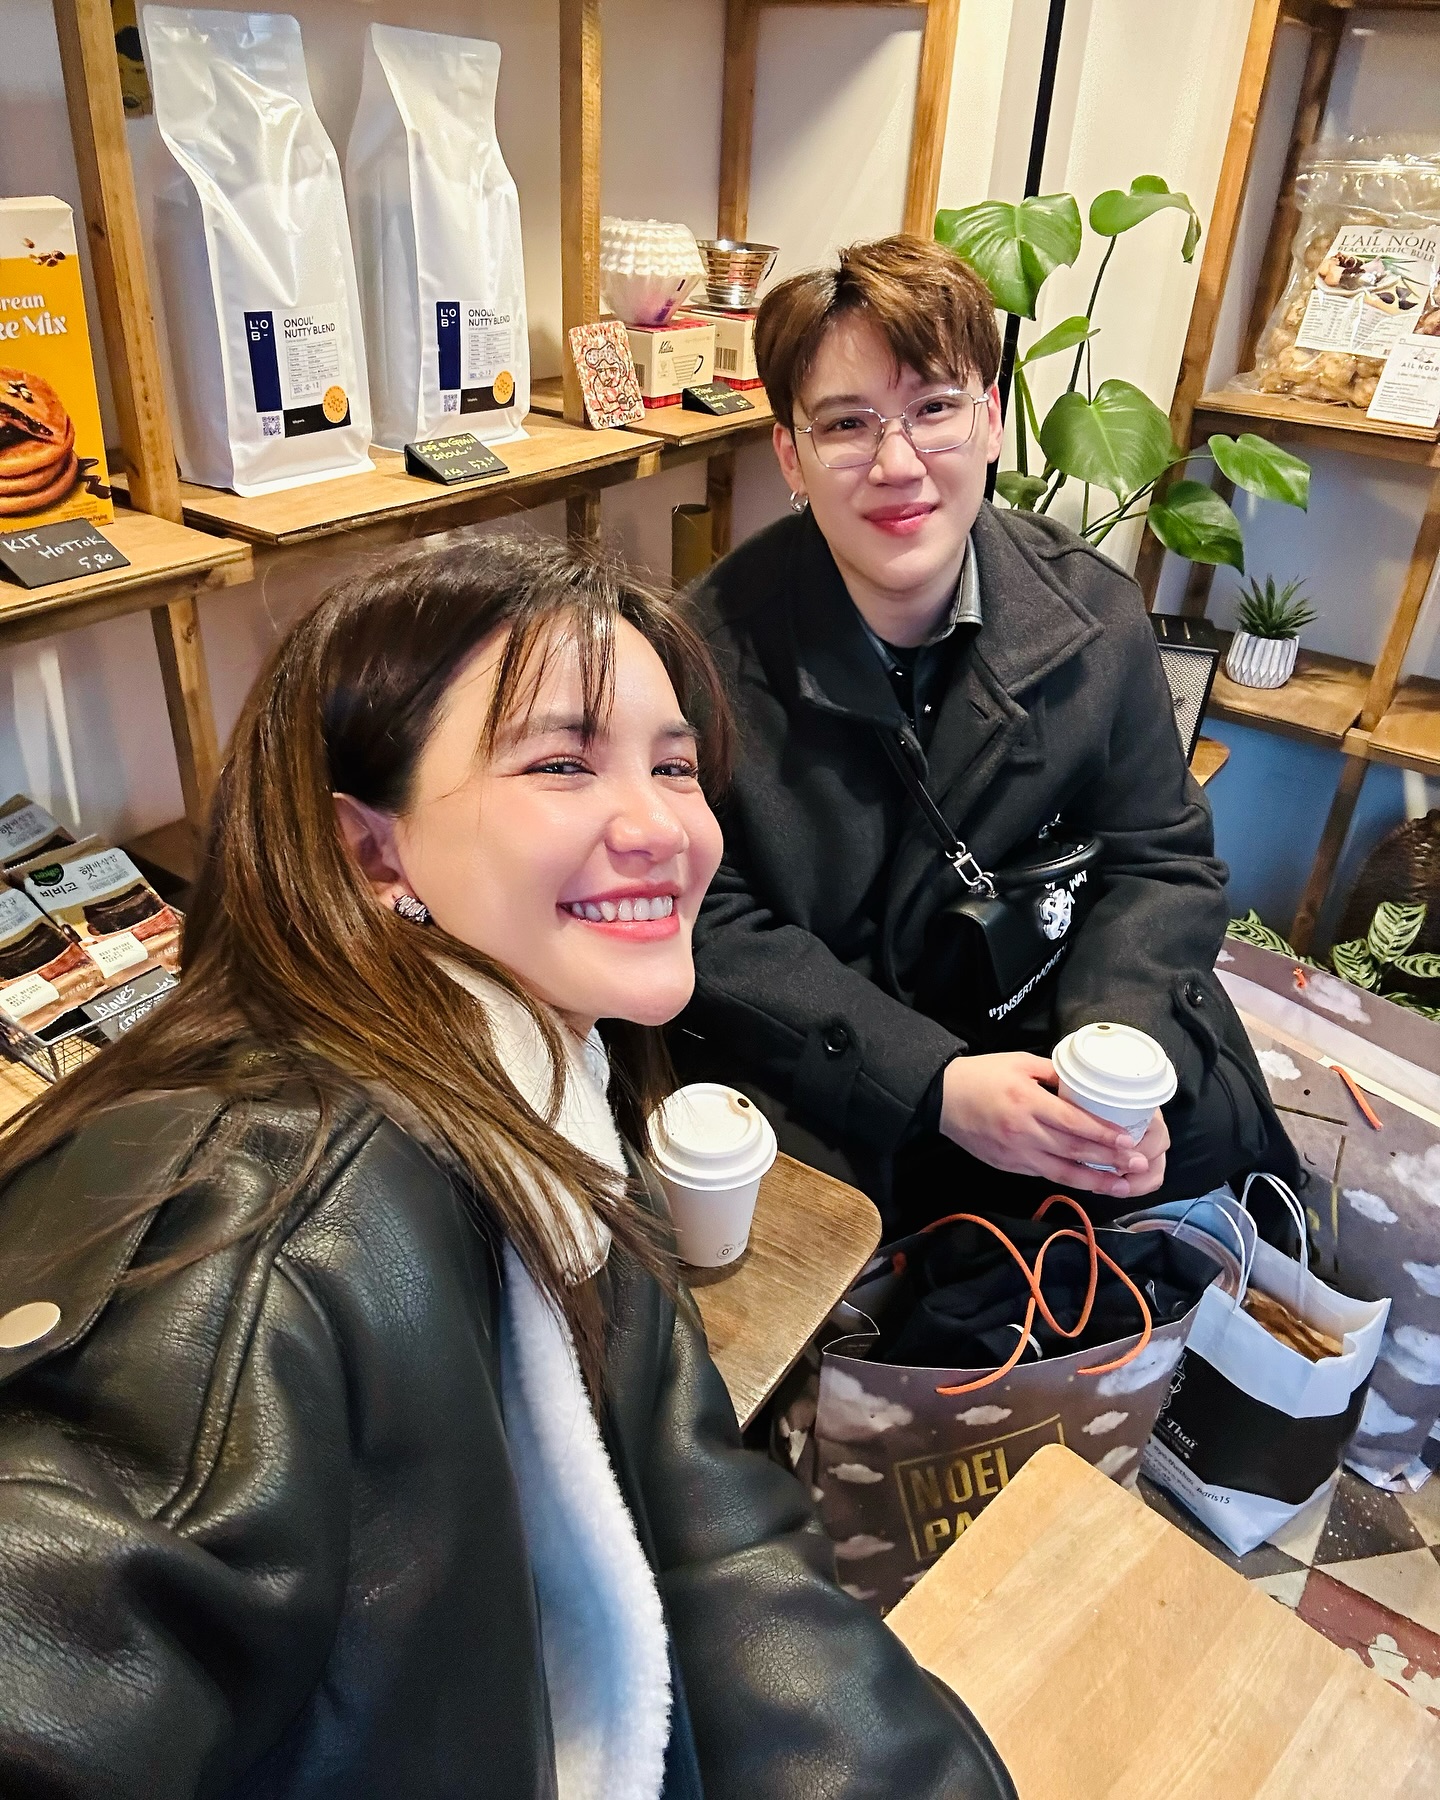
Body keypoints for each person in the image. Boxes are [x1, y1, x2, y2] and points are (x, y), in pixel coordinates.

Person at [0, 537, 1013, 1800]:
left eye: (674, 767)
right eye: (560, 764)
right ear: (373, 854)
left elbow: (703, 1520)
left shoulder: (543, 1091)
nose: (663, 828)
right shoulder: (257, 1219)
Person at [678, 234, 1302, 1236]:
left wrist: (1109, 1059)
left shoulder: (1092, 615)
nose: (898, 464)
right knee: (802, 1223)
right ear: (791, 455)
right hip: (842, 1042)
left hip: (1044, 1001)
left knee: (1188, 1127)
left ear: (993, 420)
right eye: (846, 424)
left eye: (935, 409)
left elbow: (1160, 859)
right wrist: (932, 1082)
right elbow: (704, 915)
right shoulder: (701, 655)